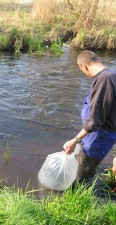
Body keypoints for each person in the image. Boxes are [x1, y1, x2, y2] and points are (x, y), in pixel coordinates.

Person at [63, 50, 116, 183]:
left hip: (99, 137)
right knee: (83, 165)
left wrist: (75, 140)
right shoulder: (108, 76)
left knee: (83, 174)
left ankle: (78, 197)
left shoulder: (105, 81)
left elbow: (94, 121)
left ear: (84, 66)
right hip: (95, 135)